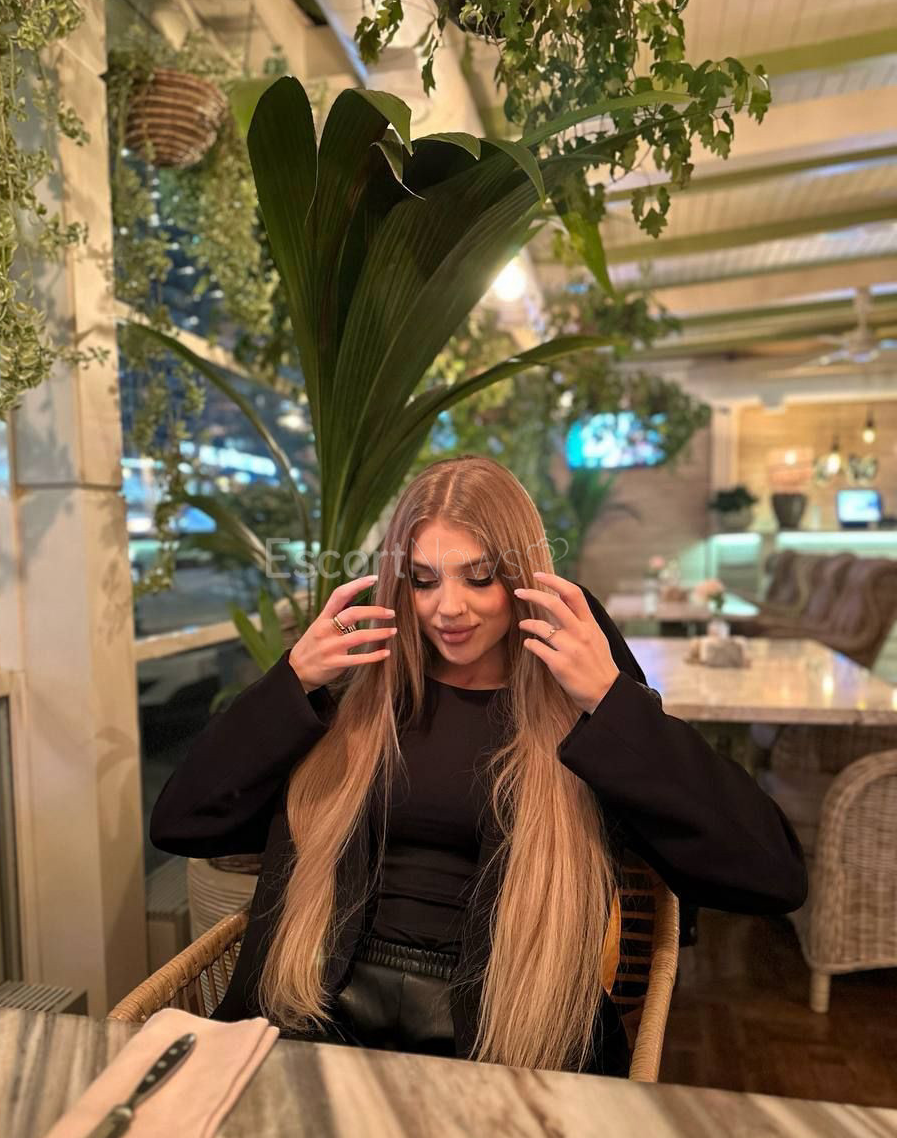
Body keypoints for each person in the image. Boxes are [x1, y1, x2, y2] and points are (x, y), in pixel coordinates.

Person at [150, 455, 807, 1076]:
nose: (448, 608)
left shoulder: (577, 706)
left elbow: (768, 875)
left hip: (507, 1037)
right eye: (424, 580)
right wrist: (291, 681)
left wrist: (612, 702)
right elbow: (185, 821)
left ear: (522, 579)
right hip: (316, 1020)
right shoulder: (363, 698)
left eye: (480, 577)